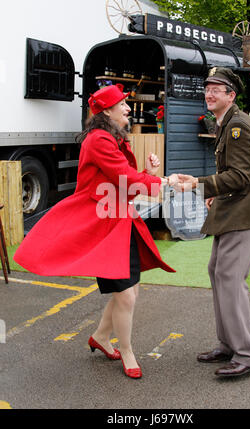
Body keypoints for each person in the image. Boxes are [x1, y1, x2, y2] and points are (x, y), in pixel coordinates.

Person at [14, 84, 175, 379]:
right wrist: (163, 183)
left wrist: (150, 176)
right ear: (107, 112)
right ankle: (126, 351)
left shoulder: (109, 137)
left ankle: (101, 337)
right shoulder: (100, 140)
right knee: (126, 295)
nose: (128, 108)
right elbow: (124, 178)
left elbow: (123, 182)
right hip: (102, 226)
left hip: (117, 221)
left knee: (129, 291)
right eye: (123, 105)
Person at [169, 67, 250, 378]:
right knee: (217, 270)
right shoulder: (227, 123)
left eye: (217, 88)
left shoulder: (238, 126)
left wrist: (199, 184)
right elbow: (234, 174)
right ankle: (228, 344)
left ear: (231, 95)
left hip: (249, 211)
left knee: (230, 276)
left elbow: (241, 176)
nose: (209, 93)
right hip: (237, 206)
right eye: (207, 88)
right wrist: (212, 190)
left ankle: (248, 354)